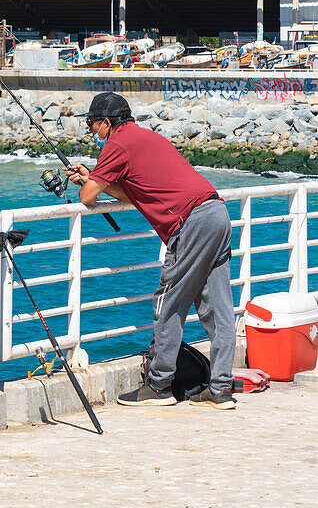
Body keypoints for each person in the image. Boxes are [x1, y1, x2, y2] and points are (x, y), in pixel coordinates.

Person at [66, 92, 236, 410]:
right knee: (219, 309)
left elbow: (87, 198)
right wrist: (94, 176)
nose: (92, 131)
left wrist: (88, 182)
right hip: (216, 213)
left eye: (92, 124)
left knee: (168, 303)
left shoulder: (116, 144)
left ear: (107, 122)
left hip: (190, 224)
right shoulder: (145, 137)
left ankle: (158, 386)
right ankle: (221, 389)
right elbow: (136, 193)